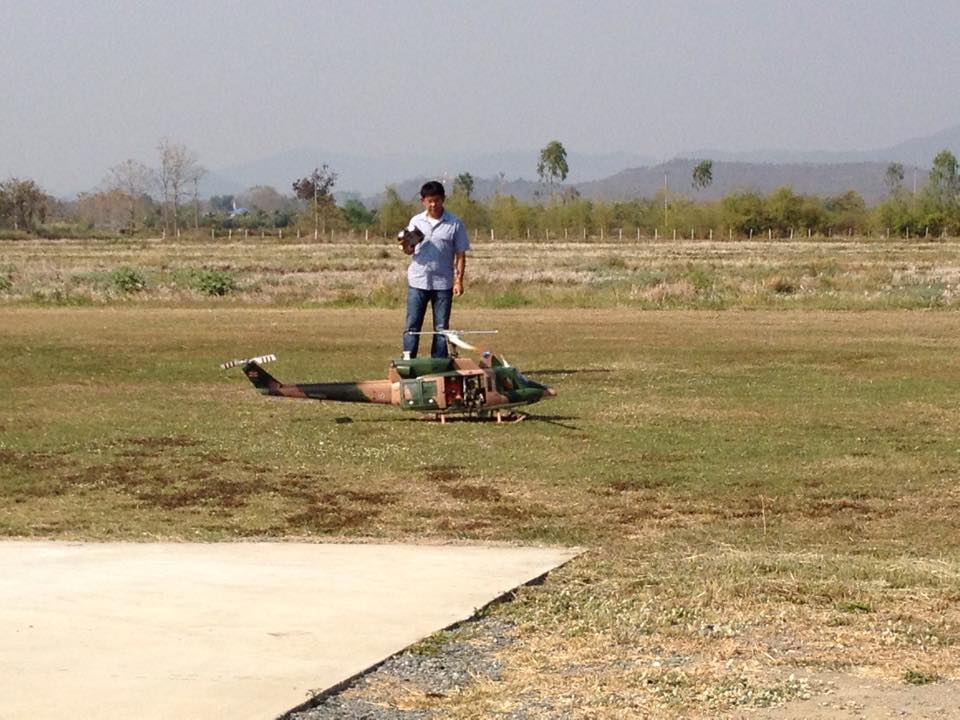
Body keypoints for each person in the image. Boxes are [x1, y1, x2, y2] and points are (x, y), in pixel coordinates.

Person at [400, 180, 469, 358]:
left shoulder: (455, 223)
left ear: (443, 199)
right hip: (418, 281)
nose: (433, 205)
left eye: (436, 200)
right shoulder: (416, 221)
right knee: (412, 325)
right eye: (429, 201)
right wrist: (406, 244)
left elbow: (460, 255)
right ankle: (408, 361)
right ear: (423, 201)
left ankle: (438, 363)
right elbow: (408, 251)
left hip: (443, 283)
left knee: (441, 328)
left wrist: (459, 281)